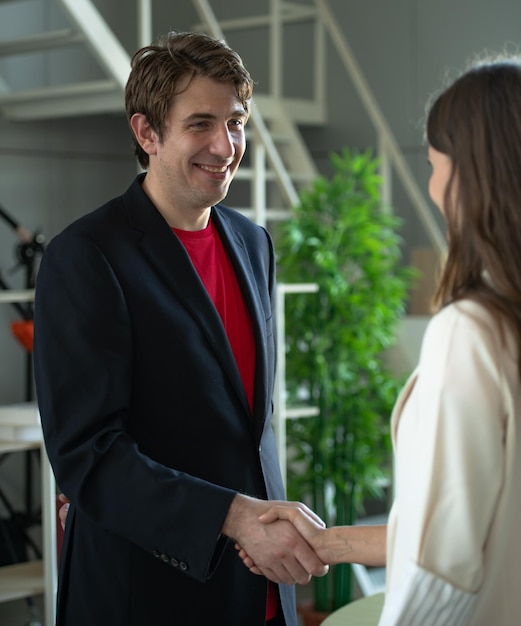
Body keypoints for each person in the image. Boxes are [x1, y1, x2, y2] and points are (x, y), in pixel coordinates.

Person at [33, 31, 327, 626]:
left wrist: (263, 526)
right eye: (201, 124)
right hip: (150, 591)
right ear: (147, 133)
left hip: (261, 587)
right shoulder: (87, 256)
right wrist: (233, 516)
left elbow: (244, 425)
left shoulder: (252, 242)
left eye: (237, 121)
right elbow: (90, 456)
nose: (226, 144)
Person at [240, 55, 521, 625]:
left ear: (473, 175)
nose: (433, 185)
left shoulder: (471, 332)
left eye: (436, 164)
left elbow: (443, 566)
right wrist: (332, 545)